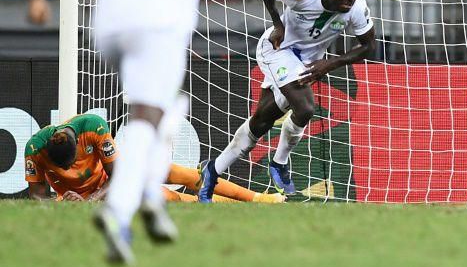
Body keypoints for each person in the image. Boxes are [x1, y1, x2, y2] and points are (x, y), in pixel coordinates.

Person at [26, 0, 300, 265]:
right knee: (154, 116)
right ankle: (123, 212)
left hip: (109, 24)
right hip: (159, 26)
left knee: (155, 110)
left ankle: (148, 198)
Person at [200, 0, 376, 201]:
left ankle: (212, 170)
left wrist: (329, 64)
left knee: (261, 122)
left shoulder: (356, 8)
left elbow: (367, 46)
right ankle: (279, 163)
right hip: (277, 49)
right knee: (305, 108)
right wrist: (277, 23)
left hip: (306, 63)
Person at [24, 112, 282, 204]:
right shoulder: (34, 150)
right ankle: (239, 206)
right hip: (99, 198)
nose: (70, 171)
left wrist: (89, 200)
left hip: (109, 184)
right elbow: (36, 196)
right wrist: (61, 204)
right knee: (168, 197)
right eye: (62, 169)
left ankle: (259, 198)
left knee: (179, 173)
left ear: (78, 145)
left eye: (71, 163)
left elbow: (118, 176)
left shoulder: (93, 126)